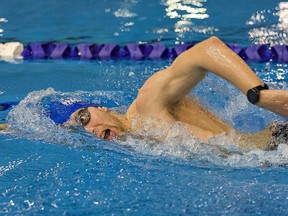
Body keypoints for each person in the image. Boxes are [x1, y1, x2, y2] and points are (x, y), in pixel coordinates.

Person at [1, 36, 288, 149]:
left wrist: (259, 95)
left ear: (101, 107)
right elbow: (30, 131)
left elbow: (206, 49)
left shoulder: (146, 105)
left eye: (85, 117)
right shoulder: (135, 140)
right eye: (79, 129)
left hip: (276, 145)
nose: (90, 129)